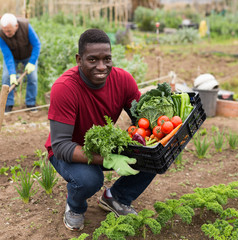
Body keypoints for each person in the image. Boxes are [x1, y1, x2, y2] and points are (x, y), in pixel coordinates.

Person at [44, 28, 156, 231]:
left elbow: (143, 124)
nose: (101, 66)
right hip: (69, 151)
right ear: (79, 59)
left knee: (154, 155)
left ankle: (117, 198)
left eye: (107, 59)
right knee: (89, 179)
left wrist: (166, 132)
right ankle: (75, 207)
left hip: (104, 145)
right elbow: (60, 146)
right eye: (93, 60)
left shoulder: (123, 80)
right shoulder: (65, 88)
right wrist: (108, 160)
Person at [0, 13, 41, 112]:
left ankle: (31, 103)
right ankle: (8, 104)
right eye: (5, 31)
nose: (6, 33)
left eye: (9, 31)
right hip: (12, 57)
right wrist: (12, 74)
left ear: (16, 26)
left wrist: (32, 62)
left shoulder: (26, 27)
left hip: (28, 56)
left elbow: (37, 45)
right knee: (6, 77)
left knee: (32, 77)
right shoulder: (0, 34)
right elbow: (7, 55)